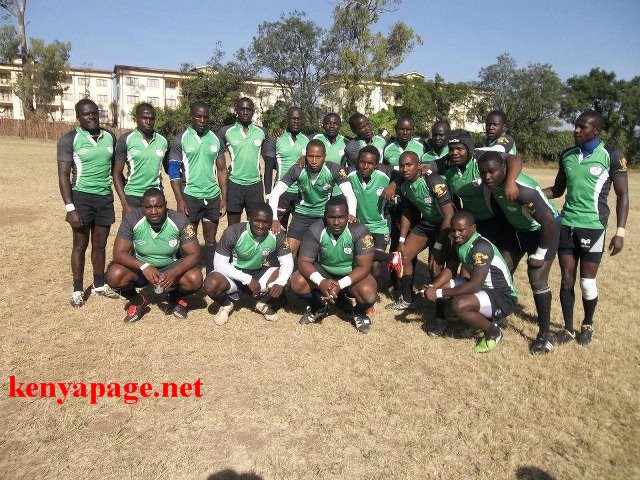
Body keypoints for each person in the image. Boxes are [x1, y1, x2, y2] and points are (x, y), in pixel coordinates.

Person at [543, 110, 629, 345]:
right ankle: (569, 329)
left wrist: (619, 232)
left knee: (586, 282)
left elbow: (623, 196)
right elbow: (558, 190)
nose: (576, 130)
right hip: (567, 225)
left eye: (582, 127)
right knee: (566, 280)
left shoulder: (611, 155)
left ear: (596, 130)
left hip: (593, 227)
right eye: (576, 126)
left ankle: (587, 323)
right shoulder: (567, 155)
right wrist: (533, 194)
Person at [478, 151, 560, 354]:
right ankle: (500, 313)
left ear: (503, 170)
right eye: (483, 172)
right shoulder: (492, 184)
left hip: (543, 232)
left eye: (492, 172)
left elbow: (549, 223)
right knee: (502, 270)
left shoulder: (523, 191)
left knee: (537, 279)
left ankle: (545, 335)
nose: (487, 176)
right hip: (516, 230)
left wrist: (540, 254)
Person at [423, 211, 517, 353]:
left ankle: (493, 332)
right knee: (442, 284)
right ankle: (477, 322)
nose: (456, 234)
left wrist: (438, 293)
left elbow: (474, 285)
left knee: (459, 305)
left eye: (461, 230)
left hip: (502, 296)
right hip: (483, 288)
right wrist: (433, 286)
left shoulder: (481, 248)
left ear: (473, 228)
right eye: (453, 230)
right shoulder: (460, 243)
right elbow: (450, 268)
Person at [57, 98, 120, 307]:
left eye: (94, 112)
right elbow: (64, 176)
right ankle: (77, 289)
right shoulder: (70, 139)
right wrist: (70, 208)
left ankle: (99, 284)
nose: (91, 116)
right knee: (80, 246)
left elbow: (114, 170)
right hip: (81, 198)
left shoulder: (110, 137)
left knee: (100, 245)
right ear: (78, 117)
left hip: (104, 198)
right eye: (86, 114)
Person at [106, 188, 203, 323]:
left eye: (158, 206)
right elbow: (118, 253)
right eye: (149, 207)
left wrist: (173, 273)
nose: (154, 211)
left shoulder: (180, 220)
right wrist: (144, 266)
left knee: (195, 278)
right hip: (142, 268)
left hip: (170, 266)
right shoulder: (132, 218)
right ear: (143, 207)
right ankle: (138, 301)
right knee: (114, 274)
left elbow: (195, 254)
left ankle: (174, 298)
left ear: (166, 205)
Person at [290, 196, 378, 333]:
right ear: (325, 216)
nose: (336, 222)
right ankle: (318, 306)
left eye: (341, 217)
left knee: (369, 293)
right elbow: (304, 262)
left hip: (351, 273)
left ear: (348, 216)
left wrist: (339, 285)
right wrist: (321, 282)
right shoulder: (316, 229)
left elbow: (364, 267)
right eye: (331, 217)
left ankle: (359, 313)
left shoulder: (359, 230)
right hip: (324, 271)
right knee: (297, 281)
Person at [386, 151, 454, 325]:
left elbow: (449, 214)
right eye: (402, 166)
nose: (405, 169)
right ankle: (408, 298)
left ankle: (440, 315)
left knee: (435, 266)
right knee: (404, 256)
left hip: (446, 226)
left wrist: (438, 247)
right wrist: (401, 240)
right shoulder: (405, 185)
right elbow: (407, 213)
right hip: (428, 223)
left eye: (409, 165)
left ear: (419, 165)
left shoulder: (433, 180)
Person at [204, 202, 294, 325]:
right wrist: (247, 279)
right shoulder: (233, 232)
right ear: (250, 218)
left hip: (260, 273)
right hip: (235, 274)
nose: (261, 226)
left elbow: (287, 262)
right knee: (211, 283)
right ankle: (226, 304)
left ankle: (265, 302)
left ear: (271, 222)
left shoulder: (277, 235)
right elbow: (219, 264)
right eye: (257, 221)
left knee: (288, 279)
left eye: (265, 222)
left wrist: (280, 282)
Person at [268, 139, 357, 259]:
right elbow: (275, 193)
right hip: (301, 215)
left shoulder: (335, 169)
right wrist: (274, 218)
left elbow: (349, 194)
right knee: (289, 253)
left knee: (322, 254)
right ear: (305, 156)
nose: (314, 161)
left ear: (324, 156)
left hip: (323, 216)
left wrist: (352, 213)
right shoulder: (297, 169)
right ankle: (287, 277)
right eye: (310, 156)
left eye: (318, 157)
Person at [168, 101, 227, 275]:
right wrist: (179, 199)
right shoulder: (181, 138)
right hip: (190, 197)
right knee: (187, 239)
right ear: (191, 117)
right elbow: (173, 171)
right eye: (198, 116)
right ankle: (187, 274)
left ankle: (210, 274)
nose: (202, 120)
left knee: (210, 240)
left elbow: (222, 169)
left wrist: (224, 198)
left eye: (205, 117)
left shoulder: (215, 138)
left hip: (212, 197)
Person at [218, 97, 271, 225]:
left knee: (255, 225)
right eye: (242, 109)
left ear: (253, 111)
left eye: (248, 109)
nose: (245, 112)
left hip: (255, 186)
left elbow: (267, 158)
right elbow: (219, 162)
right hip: (234, 184)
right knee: (233, 226)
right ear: (236, 111)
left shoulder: (262, 132)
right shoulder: (226, 131)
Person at [348, 145, 398, 278]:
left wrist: (393, 185)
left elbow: (402, 174)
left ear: (376, 165)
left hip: (380, 227)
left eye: (370, 163)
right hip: (360, 226)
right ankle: (391, 257)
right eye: (362, 162)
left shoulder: (384, 175)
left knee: (375, 264)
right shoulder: (351, 175)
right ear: (357, 162)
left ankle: (372, 285)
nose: (365, 166)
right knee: (360, 260)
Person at [113, 103, 168, 215]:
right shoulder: (126, 139)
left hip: (155, 196)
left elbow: (169, 169)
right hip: (133, 196)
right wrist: (125, 204)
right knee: (131, 231)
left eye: (151, 118)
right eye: (144, 118)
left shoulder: (163, 141)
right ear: (136, 118)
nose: (148, 122)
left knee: (155, 232)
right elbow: (117, 174)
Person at [269, 106, 311, 229]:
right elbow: (269, 166)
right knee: (278, 229)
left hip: (300, 191)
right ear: (287, 119)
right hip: (282, 192)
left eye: (298, 119)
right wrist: (268, 193)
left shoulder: (307, 140)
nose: (296, 121)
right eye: (293, 118)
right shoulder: (277, 138)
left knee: (300, 230)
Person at [313, 112, 348, 197]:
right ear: (323, 125)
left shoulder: (346, 142)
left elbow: (350, 167)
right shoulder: (315, 139)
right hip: (318, 188)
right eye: (328, 123)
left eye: (335, 123)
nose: (331, 126)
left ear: (340, 126)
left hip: (338, 189)